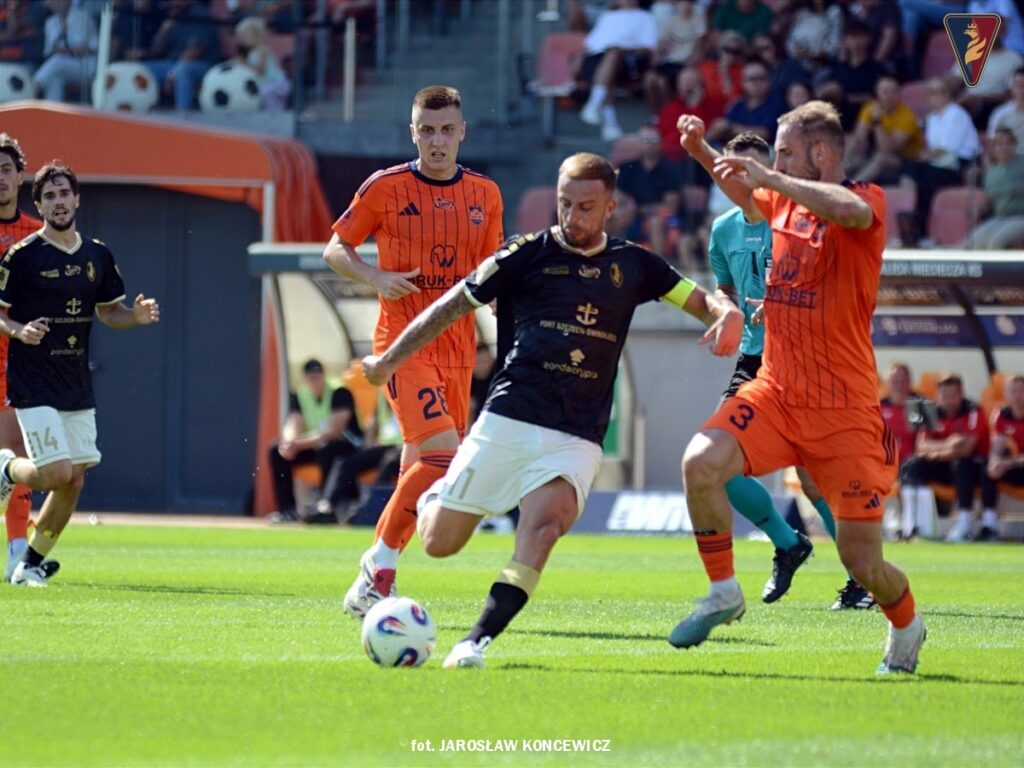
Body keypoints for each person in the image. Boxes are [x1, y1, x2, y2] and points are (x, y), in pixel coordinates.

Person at [361, 152, 743, 669]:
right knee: (439, 543)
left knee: (542, 529)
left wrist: (727, 312)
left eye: (585, 207)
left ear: (610, 207)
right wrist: (388, 360)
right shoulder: (525, 254)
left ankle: (474, 643)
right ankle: (436, 495)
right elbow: (451, 305)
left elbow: (700, 301)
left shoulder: (635, 264)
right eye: (565, 204)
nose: (572, 217)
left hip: (578, 435)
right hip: (511, 416)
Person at [675, 101, 925, 674]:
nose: (776, 160)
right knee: (701, 462)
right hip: (777, 393)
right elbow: (743, 188)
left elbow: (848, 212)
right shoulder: (779, 201)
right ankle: (723, 591)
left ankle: (907, 624)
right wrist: (701, 152)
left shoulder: (865, 198)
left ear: (819, 153)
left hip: (844, 414)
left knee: (864, 563)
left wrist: (771, 177)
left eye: (785, 151)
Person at [324, 85, 504, 618]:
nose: (437, 141)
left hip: (459, 350)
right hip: (403, 345)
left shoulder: (486, 195)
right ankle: (375, 567)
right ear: (413, 133)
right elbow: (336, 249)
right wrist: (376, 276)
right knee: (442, 457)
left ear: (462, 132)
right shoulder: (386, 187)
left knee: (422, 468)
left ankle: (377, 579)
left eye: (446, 130)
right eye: (427, 130)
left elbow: (493, 269)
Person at [708, 132, 874, 612]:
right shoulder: (723, 230)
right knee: (713, 458)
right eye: (735, 170)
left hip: (803, 356)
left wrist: (782, 304)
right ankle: (788, 542)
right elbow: (724, 287)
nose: (745, 179)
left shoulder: (797, 220)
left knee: (814, 475)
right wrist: (725, 309)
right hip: (753, 358)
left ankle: (861, 577)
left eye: (753, 170)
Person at [0, 161, 160, 586]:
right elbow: (1, 313)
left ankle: (30, 564)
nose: (58, 202)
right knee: (55, 472)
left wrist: (136, 317)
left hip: (75, 381)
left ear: (76, 199)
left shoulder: (97, 254)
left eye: (63, 194)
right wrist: (19, 330)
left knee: (74, 479)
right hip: (33, 379)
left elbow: (110, 312)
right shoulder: (23, 255)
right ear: (39, 205)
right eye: (49, 196)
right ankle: (7, 469)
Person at [0, 133, 50, 583]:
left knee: (15, 452)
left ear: (19, 176)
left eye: (6, 169)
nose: (0, 178)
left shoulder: (37, 235)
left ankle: (18, 547)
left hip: (16, 360)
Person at [266, 358, 363, 523]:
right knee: (276, 451)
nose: (315, 381)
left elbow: (333, 432)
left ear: (324, 376)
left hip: (345, 445)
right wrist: (288, 442)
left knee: (328, 451)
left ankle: (326, 507)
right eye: (311, 377)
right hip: (315, 444)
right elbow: (293, 422)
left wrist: (299, 444)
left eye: (318, 376)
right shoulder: (301, 394)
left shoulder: (339, 391)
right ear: (305, 379)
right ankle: (287, 510)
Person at [901, 374, 995, 542]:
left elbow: (966, 449)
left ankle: (965, 523)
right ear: (938, 396)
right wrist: (948, 444)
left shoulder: (973, 410)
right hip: (944, 464)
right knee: (912, 465)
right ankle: (912, 523)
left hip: (973, 468)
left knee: (962, 464)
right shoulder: (932, 411)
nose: (949, 400)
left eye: (953, 396)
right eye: (945, 396)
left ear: (961, 393)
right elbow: (921, 445)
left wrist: (937, 453)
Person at [899, 77, 981, 247]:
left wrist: (923, 157)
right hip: (939, 162)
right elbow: (933, 149)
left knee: (925, 175)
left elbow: (946, 148)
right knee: (912, 170)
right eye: (933, 93)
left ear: (949, 94)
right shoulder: (932, 119)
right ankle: (910, 225)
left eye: (942, 92)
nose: (938, 96)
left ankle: (920, 230)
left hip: (962, 163)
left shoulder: (956, 113)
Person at [577, 0, 659, 141]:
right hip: (600, 59)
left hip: (629, 62)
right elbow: (591, 43)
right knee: (606, 68)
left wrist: (623, 49)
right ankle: (609, 124)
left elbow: (648, 47)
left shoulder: (646, 17)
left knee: (612, 59)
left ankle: (595, 105)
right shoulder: (608, 16)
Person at [879, 363, 931, 539]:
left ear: (910, 381)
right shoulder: (879, 406)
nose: (899, 385)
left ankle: (910, 525)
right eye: (895, 381)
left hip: (916, 461)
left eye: (903, 381)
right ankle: (887, 522)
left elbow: (930, 439)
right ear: (887, 383)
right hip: (886, 461)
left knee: (911, 468)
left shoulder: (923, 405)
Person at [845, 75, 924, 185]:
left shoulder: (907, 116)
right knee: (852, 161)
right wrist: (846, 159)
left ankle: (851, 188)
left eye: (893, 92)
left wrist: (878, 122)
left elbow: (888, 150)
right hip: (877, 155)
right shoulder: (870, 107)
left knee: (881, 158)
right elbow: (858, 138)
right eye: (885, 92)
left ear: (899, 94)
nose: (889, 96)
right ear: (877, 93)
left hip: (906, 162)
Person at [143, 0, 221, 110]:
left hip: (203, 65)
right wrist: (163, 30)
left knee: (182, 71)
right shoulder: (175, 16)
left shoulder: (200, 13)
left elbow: (195, 50)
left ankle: (183, 112)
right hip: (173, 63)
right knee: (142, 69)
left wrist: (172, 74)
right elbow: (156, 51)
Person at [963, 128, 1024, 249]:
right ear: (994, 149)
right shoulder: (991, 172)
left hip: (1020, 217)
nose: (1004, 147)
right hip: (1002, 218)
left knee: (996, 242)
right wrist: (978, 211)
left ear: (1014, 145)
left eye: (1008, 143)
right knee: (972, 242)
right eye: (999, 144)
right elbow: (990, 198)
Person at [33, 0, 97, 102]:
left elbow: (94, 47)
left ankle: (32, 88)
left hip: (85, 65)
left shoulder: (83, 17)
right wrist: (58, 49)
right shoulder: (50, 22)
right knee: (55, 80)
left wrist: (75, 51)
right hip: (61, 67)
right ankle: (52, 111)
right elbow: (48, 52)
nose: (56, 3)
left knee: (58, 61)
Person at [987, 374, 1024, 538]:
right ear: (1006, 394)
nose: (1018, 395)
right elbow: (997, 448)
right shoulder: (1001, 415)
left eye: (1022, 391)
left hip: (1016, 463)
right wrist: (994, 463)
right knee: (986, 470)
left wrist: (1007, 463)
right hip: (1015, 465)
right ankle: (989, 524)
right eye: (1014, 391)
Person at [232, 15, 290, 111]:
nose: (242, 40)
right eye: (241, 37)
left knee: (267, 98)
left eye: (245, 36)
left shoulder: (261, 50)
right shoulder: (251, 52)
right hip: (266, 85)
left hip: (275, 84)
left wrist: (244, 64)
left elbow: (260, 71)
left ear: (257, 35)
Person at [987, 67, 1024, 152]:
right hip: (1011, 158)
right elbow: (991, 145)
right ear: (1012, 88)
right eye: (1019, 86)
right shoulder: (1001, 114)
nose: (1023, 91)